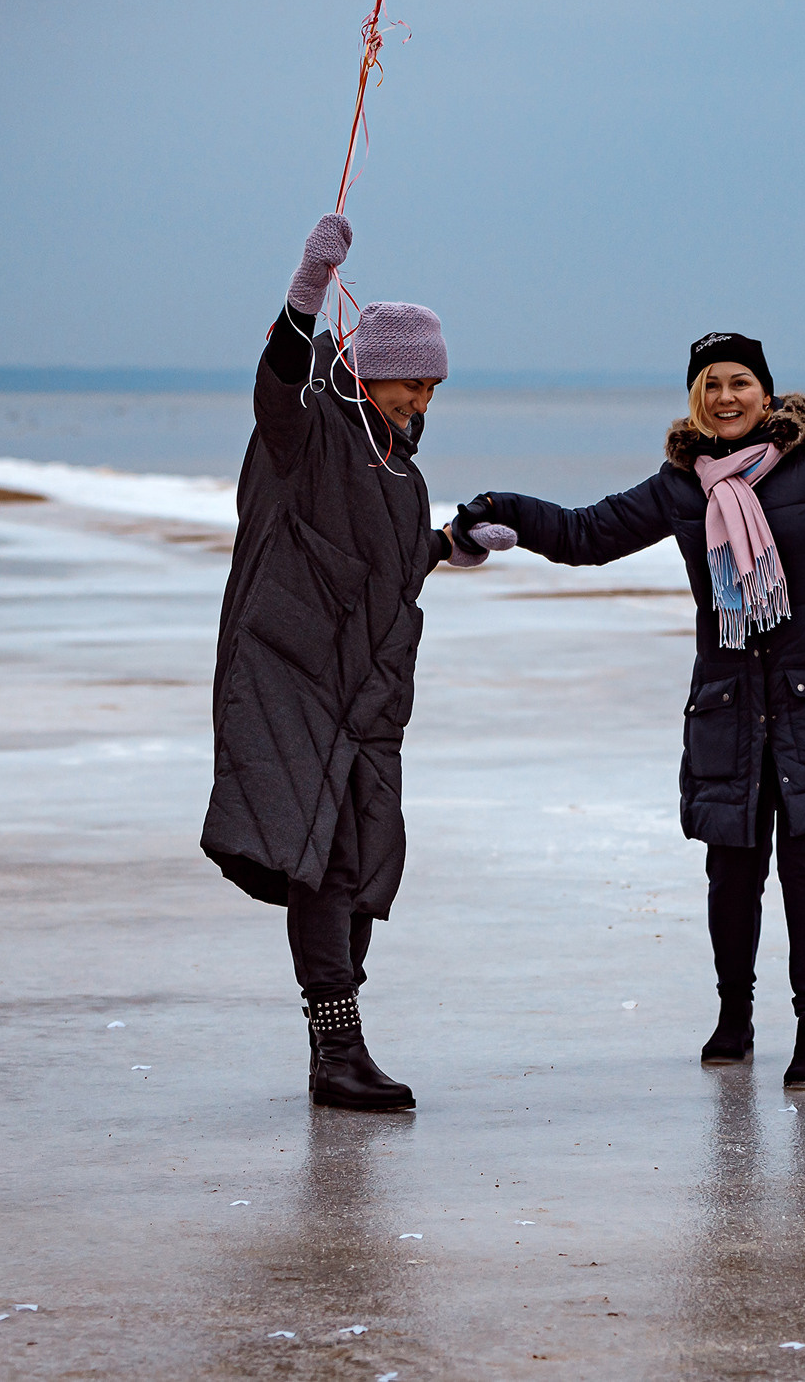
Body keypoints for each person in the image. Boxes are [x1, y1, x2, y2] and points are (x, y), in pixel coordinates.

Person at [448, 333, 805, 1087]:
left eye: (739, 381)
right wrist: (506, 507)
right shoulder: (685, 483)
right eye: (709, 385)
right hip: (730, 704)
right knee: (731, 871)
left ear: (768, 392)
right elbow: (589, 534)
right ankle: (734, 1015)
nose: (724, 397)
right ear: (694, 400)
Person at [200, 214, 510, 1113]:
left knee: (366, 862)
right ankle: (337, 1051)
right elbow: (279, 383)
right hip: (292, 676)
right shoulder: (311, 433)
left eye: (432, 386)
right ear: (372, 373)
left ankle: (338, 1047)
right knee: (323, 863)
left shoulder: (397, 467)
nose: (423, 401)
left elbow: (382, 565)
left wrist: (452, 542)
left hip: (368, 693)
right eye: (414, 382)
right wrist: (305, 288)